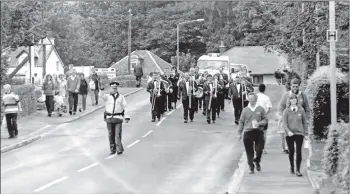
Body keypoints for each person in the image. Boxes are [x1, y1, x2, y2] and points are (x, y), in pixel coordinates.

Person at [238, 92, 268, 174]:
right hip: (248, 132)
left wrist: (260, 123)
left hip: (258, 131)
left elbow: (265, 120)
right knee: (249, 151)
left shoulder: (261, 109)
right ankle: (251, 167)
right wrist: (239, 133)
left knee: (259, 149)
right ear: (248, 99)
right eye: (250, 98)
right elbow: (241, 122)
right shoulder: (245, 110)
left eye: (253, 98)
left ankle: (257, 160)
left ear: (256, 99)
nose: (251, 100)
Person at [282, 93, 308, 176]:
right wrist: (288, 131)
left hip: (299, 133)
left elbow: (305, 122)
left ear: (297, 100)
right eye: (291, 99)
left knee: (299, 152)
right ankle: (292, 167)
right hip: (289, 134)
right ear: (289, 101)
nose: (293, 100)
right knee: (291, 151)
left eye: (294, 99)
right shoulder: (286, 111)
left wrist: (306, 133)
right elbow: (284, 123)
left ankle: (298, 170)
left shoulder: (301, 110)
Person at [102, 79, 130, 155]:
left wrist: (126, 116)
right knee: (111, 134)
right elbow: (102, 96)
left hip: (118, 118)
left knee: (117, 134)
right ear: (110, 88)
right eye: (112, 88)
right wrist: (102, 88)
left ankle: (119, 149)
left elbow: (125, 107)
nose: (114, 89)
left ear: (117, 88)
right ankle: (112, 149)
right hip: (109, 118)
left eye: (115, 88)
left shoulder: (121, 97)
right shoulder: (107, 96)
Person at [256, 84, 272, 154]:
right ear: (264, 89)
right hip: (263, 117)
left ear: (258, 89)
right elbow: (269, 108)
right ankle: (263, 148)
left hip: (255, 117)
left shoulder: (255, 97)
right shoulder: (266, 98)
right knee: (264, 133)